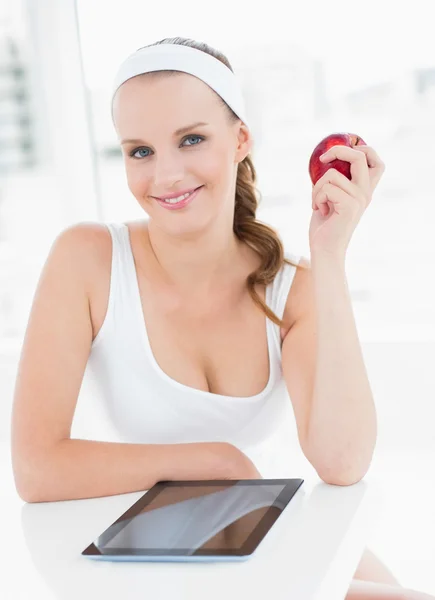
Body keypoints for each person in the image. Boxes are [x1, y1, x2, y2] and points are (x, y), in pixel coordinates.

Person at [10, 37, 434, 600]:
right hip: (148, 559)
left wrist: (329, 256)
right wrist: (217, 460)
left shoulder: (294, 284)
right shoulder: (87, 260)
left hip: (271, 533)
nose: (165, 175)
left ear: (240, 140)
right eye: (140, 151)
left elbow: (343, 460)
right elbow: (36, 469)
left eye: (191, 139)